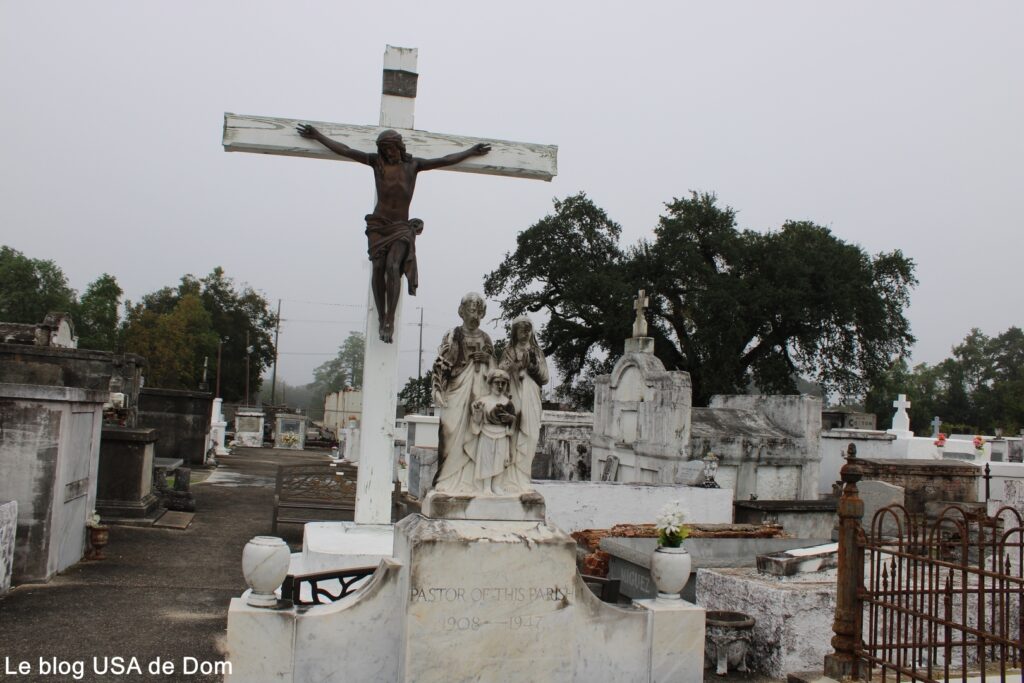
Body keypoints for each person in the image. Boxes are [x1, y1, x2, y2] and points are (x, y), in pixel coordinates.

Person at [296, 124, 490, 343]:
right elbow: (345, 150)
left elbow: (445, 159)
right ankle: (381, 317)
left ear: (399, 147)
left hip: (400, 227)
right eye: (385, 150)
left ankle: (390, 319)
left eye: (392, 148)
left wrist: (471, 152)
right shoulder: (376, 163)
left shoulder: (414, 165)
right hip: (378, 225)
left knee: (392, 265)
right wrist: (318, 136)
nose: (389, 153)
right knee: (378, 267)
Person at [430, 292, 495, 493]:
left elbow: (495, 371)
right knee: (449, 432)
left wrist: (486, 359)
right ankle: (445, 480)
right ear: (462, 311)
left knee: (475, 435)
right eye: (471, 309)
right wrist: (438, 389)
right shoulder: (454, 335)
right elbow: (441, 364)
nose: (474, 313)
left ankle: (470, 482)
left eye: (478, 310)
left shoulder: (485, 338)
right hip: (456, 391)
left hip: (478, 392)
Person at [496, 315, 549, 493]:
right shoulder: (509, 351)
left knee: (531, 436)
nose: (525, 333)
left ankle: (523, 478)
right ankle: (509, 479)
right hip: (514, 396)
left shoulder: (536, 351)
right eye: (521, 329)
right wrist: (515, 367)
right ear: (515, 332)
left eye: (528, 329)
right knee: (513, 435)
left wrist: (532, 366)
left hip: (531, 397)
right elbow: (499, 373)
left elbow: (545, 377)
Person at [470, 369, 517, 495]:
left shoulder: (508, 403)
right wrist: (478, 412)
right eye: (497, 382)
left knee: (500, 460)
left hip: (502, 434)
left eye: (503, 383)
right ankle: (486, 486)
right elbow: (476, 422)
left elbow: (513, 423)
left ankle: (497, 485)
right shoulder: (483, 401)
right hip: (486, 433)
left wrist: (511, 420)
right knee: (487, 460)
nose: (500, 386)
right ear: (490, 383)